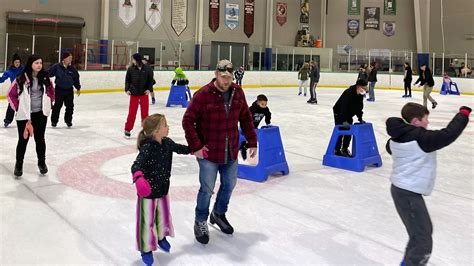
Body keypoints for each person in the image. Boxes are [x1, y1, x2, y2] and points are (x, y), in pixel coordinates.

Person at [182, 59, 257, 244]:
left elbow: (246, 118)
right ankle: (200, 221)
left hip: (230, 150)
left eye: (229, 77)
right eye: (223, 77)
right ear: (216, 74)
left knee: (229, 184)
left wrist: (252, 141)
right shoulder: (203, 95)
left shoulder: (238, 92)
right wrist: (196, 147)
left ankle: (218, 214)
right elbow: (188, 120)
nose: (226, 81)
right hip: (208, 153)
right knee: (207, 189)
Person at [385, 102, 470, 266]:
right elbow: (448, 134)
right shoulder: (421, 139)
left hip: (403, 191)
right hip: (407, 193)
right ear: (416, 121)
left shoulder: (396, 138)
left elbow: (389, 147)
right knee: (423, 240)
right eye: (425, 119)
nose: (428, 123)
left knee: (421, 233)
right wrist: (463, 114)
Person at [131, 113, 191, 265]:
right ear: (156, 130)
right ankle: (146, 248)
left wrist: (195, 149)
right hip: (148, 192)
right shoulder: (148, 147)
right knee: (147, 221)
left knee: (162, 216)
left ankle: (160, 237)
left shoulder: (167, 142)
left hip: (163, 189)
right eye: (165, 125)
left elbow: (180, 148)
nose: (168, 127)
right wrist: (138, 178)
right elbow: (136, 165)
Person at [7, 54, 55, 177]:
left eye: (41, 63)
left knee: (40, 139)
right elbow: (10, 95)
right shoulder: (20, 78)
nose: (39, 65)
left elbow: (51, 92)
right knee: (23, 140)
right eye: (36, 63)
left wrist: (49, 102)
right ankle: (19, 164)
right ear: (31, 64)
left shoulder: (45, 77)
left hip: (40, 114)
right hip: (25, 116)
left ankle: (42, 162)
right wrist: (18, 108)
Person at [332, 79, 368, 157]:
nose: (365, 90)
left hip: (348, 114)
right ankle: (336, 149)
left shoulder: (360, 95)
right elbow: (343, 107)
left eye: (366, 88)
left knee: (349, 131)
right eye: (364, 88)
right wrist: (344, 120)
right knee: (340, 131)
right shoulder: (348, 93)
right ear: (358, 87)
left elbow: (359, 107)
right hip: (339, 113)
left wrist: (360, 118)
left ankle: (344, 149)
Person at [124, 53, 154, 138]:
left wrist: (149, 89)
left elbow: (151, 80)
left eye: (133, 59)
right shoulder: (130, 69)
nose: (131, 61)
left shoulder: (148, 69)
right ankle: (127, 129)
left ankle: (146, 130)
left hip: (144, 94)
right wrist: (127, 89)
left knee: (145, 113)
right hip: (134, 94)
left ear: (136, 60)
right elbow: (127, 80)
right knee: (132, 112)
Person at [49, 52, 81, 128]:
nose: (71, 60)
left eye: (71, 58)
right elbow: (49, 74)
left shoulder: (72, 69)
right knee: (57, 106)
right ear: (64, 58)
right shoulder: (57, 67)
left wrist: (78, 87)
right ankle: (54, 121)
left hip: (69, 90)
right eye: (69, 58)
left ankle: (68, 121)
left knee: (70, 106)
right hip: (59, 89)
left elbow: (76, 78)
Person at [240, 94, 272, 160]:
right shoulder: (252, 109)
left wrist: (268, 122)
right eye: (262, 104)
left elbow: (268, 114)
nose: (264, 106)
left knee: (255, 140)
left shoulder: (265, 109)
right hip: (245, 126)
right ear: (258, 102)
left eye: (265, 104)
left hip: (254, 128)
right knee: (244, 139)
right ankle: (242, 147)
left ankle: (244, 148)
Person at [1, 54, 24, 127]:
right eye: (16, 62)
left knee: (23, 106)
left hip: (23, 90)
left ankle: (24, 120)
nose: (17, 63)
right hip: (14, 91)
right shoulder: (9, 72)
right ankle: (7, 120)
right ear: (13, 63)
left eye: (18, 62)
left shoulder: (23, 69)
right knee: (11, 105)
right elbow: (2, 79)